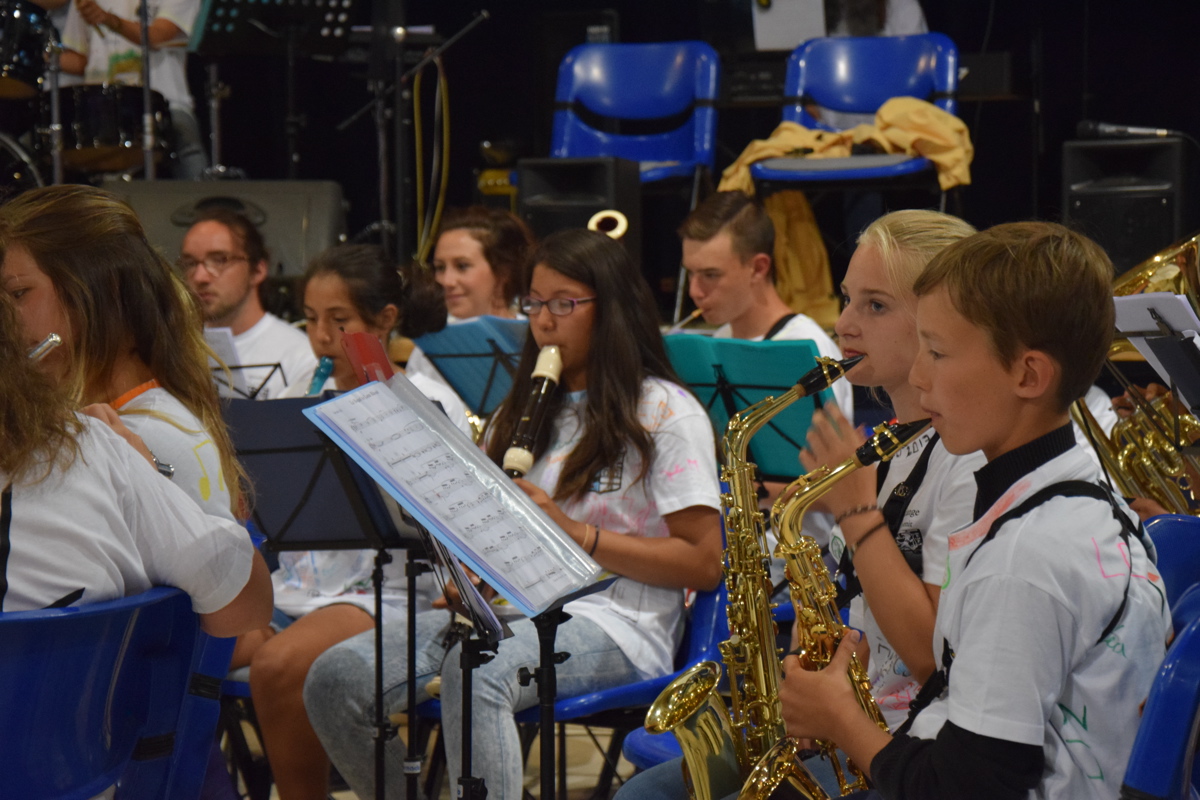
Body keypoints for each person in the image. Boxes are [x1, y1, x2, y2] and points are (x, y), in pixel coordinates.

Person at [303, 228, 724, 800]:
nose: (544, 321)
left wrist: (574, 533)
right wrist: (471, 577)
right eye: (535, 303)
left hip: (619, 622)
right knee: (335, 679)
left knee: (476, 671)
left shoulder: (666, 412)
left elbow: (702, 563)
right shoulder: (519, 410)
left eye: (563, 304)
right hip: (506, 614)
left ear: (613, 308)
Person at [775, 222, 1170, 799]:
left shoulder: (1025, 561)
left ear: (1028, 375)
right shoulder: (1063, 492)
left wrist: (841, 720)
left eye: (936, 353)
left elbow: (963, 788)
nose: (918, 376)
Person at [617, 209, 983, 800]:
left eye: (876, 305)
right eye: (847, 299)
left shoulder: (965, 461)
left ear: (940, 321)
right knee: (642, 794)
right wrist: (807, 668)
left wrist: (857, 515)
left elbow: (929, 658)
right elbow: (852, 606)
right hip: (852, 719)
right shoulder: (887, 447)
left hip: (905, 744)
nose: (845, 324)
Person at [235, 244, 471, 800]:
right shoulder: (299, 395)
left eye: (339, 321)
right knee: (189, 649)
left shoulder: (427, 402)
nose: (320, 337)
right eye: (310, 319)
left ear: (384, 320)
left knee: (277, 666)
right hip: (299, 587)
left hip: (391, 592)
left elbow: (452, 525)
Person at [0, 288, 272, 626]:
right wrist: (146, 476)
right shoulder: (94, 445)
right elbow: (246, 602)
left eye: (21, 292)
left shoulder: (122, 431)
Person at [0, 184, 244, 521]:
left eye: (18, 294)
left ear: (101, 290)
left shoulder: (136, 434)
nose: (7, 320)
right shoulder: (148, 414)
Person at [679, 191, 852, 420]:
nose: (694, 291)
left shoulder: (808, 348)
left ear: (759, 268)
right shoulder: (720, 339)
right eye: (690, 273)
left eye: (711, 275)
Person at [59, 0, 208, 179]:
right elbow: (81, 60)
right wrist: (41, 55)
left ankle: (203, 195)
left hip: (165, 101)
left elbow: (157, 36)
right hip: (102, 105)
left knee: (184, 139)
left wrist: (109, 20)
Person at [180, 206, 317, 399]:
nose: (200, 277)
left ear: (258, 270)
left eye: (220, 260)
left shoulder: (301, 356)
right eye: (190, 263)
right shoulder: (175, 347)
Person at [404, 205, 534, 391]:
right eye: (440, 268)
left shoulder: (532, 341)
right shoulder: (431, 345)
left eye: (462, 266)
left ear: (503, 271)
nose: (446, 281)